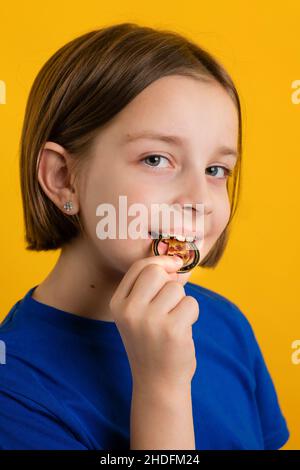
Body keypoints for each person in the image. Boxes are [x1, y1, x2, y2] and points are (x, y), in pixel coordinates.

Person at [0, 22, 289, 450]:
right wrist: (162, 388)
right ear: (63, 178)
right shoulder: (15, 389)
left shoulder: (227, 324)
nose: (198, 200)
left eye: (215, 170)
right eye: (156, 159)